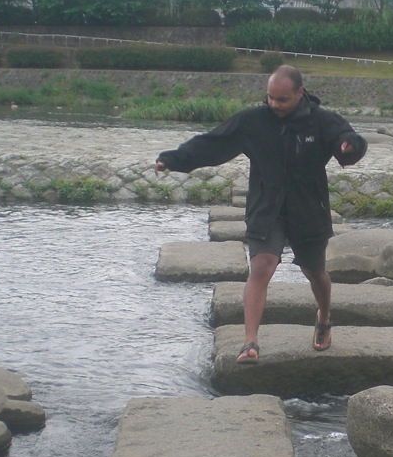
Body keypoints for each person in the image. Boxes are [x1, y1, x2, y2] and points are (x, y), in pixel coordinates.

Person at [155, 65, 368, 364]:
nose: (274, 105)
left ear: (299, 93)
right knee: (261, 266)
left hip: (308, 208)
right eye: (270, 98)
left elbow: (348, 139)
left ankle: (324, 317)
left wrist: (350, 147)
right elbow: (214, 143)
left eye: (282, 100)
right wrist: (172, 159)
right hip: (266, 207)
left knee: (315, 272)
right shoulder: (254, 121)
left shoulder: (320, 121)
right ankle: (249, 342)